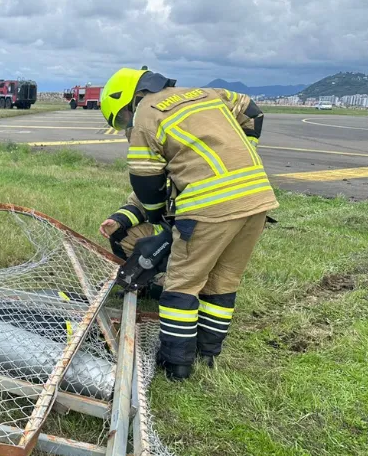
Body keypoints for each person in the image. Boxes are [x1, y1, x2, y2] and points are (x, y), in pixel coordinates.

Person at [100, 67, 278, 381]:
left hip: (210, 207)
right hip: (257, 199)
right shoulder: (208, 95)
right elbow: (252, 111)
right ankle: (208, 354)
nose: (128, 128)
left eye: (123, 120)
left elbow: (145, 180)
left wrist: (157, 219)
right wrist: (246, 150)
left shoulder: (147, 113)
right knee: (223, 282)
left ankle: (176, 365)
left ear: (130, 99)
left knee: (181, 287)